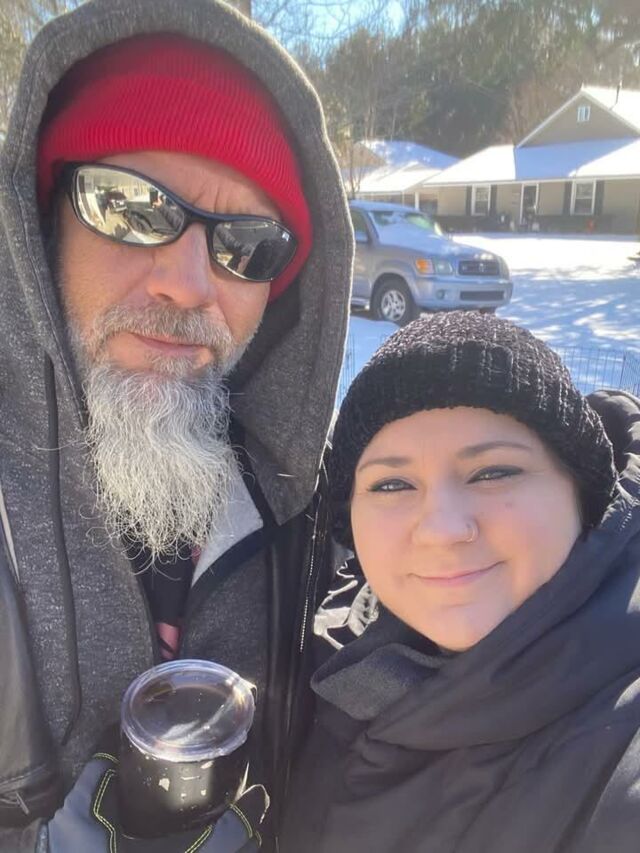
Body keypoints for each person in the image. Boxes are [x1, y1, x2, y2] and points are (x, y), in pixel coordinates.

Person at [0, 0, 352, 849]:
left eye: (247, 246)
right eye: (132, 207)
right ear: (40, 228)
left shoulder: (317, 510)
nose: (190, 283)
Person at [282, 311, 640, 853]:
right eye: (392, 484)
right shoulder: (329, 653)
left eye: (493, 473)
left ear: (582, 494)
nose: (443, 530)